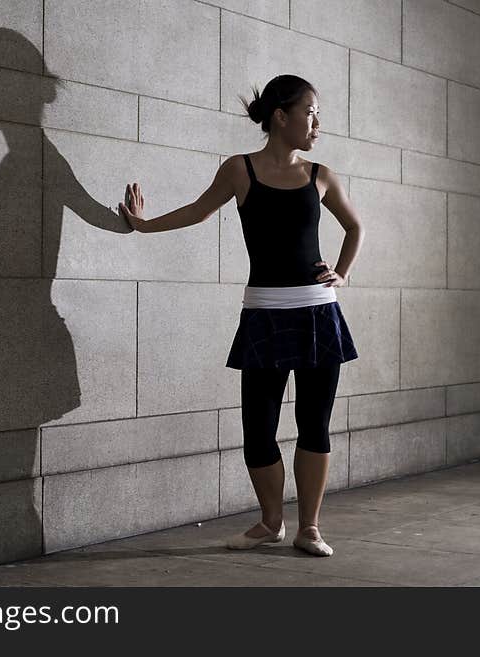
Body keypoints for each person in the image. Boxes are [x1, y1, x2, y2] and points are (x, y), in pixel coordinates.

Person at [119, 74, 365, 557]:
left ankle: (309, 527)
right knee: (258, 427)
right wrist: (144, 226)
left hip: (318, 316)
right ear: (281, 116)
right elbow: (197, 211)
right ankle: (271, 521)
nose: (317, 123)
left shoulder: (321, 176)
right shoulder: (239, 170)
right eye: (310, 112)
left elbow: (355, 227)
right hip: (264, 317)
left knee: (315, 425)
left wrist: (342, 274)